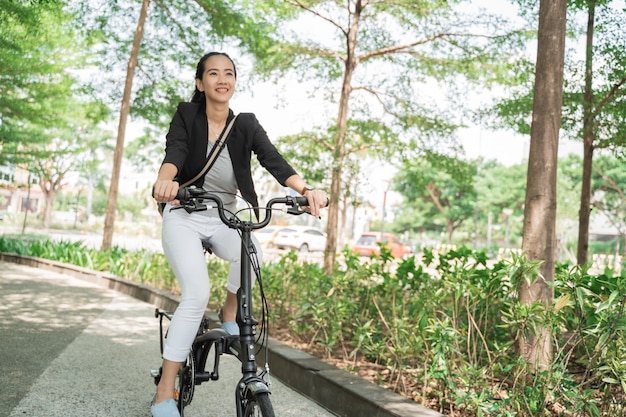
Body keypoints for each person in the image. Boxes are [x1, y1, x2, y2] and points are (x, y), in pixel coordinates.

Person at [150, 52, 328, 417]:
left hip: (224, 215)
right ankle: (163, 394)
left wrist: (306, 190)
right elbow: (176, 151)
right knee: (196, 292)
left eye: (228, 73)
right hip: (184, 212)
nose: (221, 79)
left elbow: (273, 159)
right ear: (200, 83)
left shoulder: (245, 123)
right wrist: (166, 180)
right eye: (213, 73)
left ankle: (229, 312)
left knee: (253, 253)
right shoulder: (187, 115)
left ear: (234, 82)